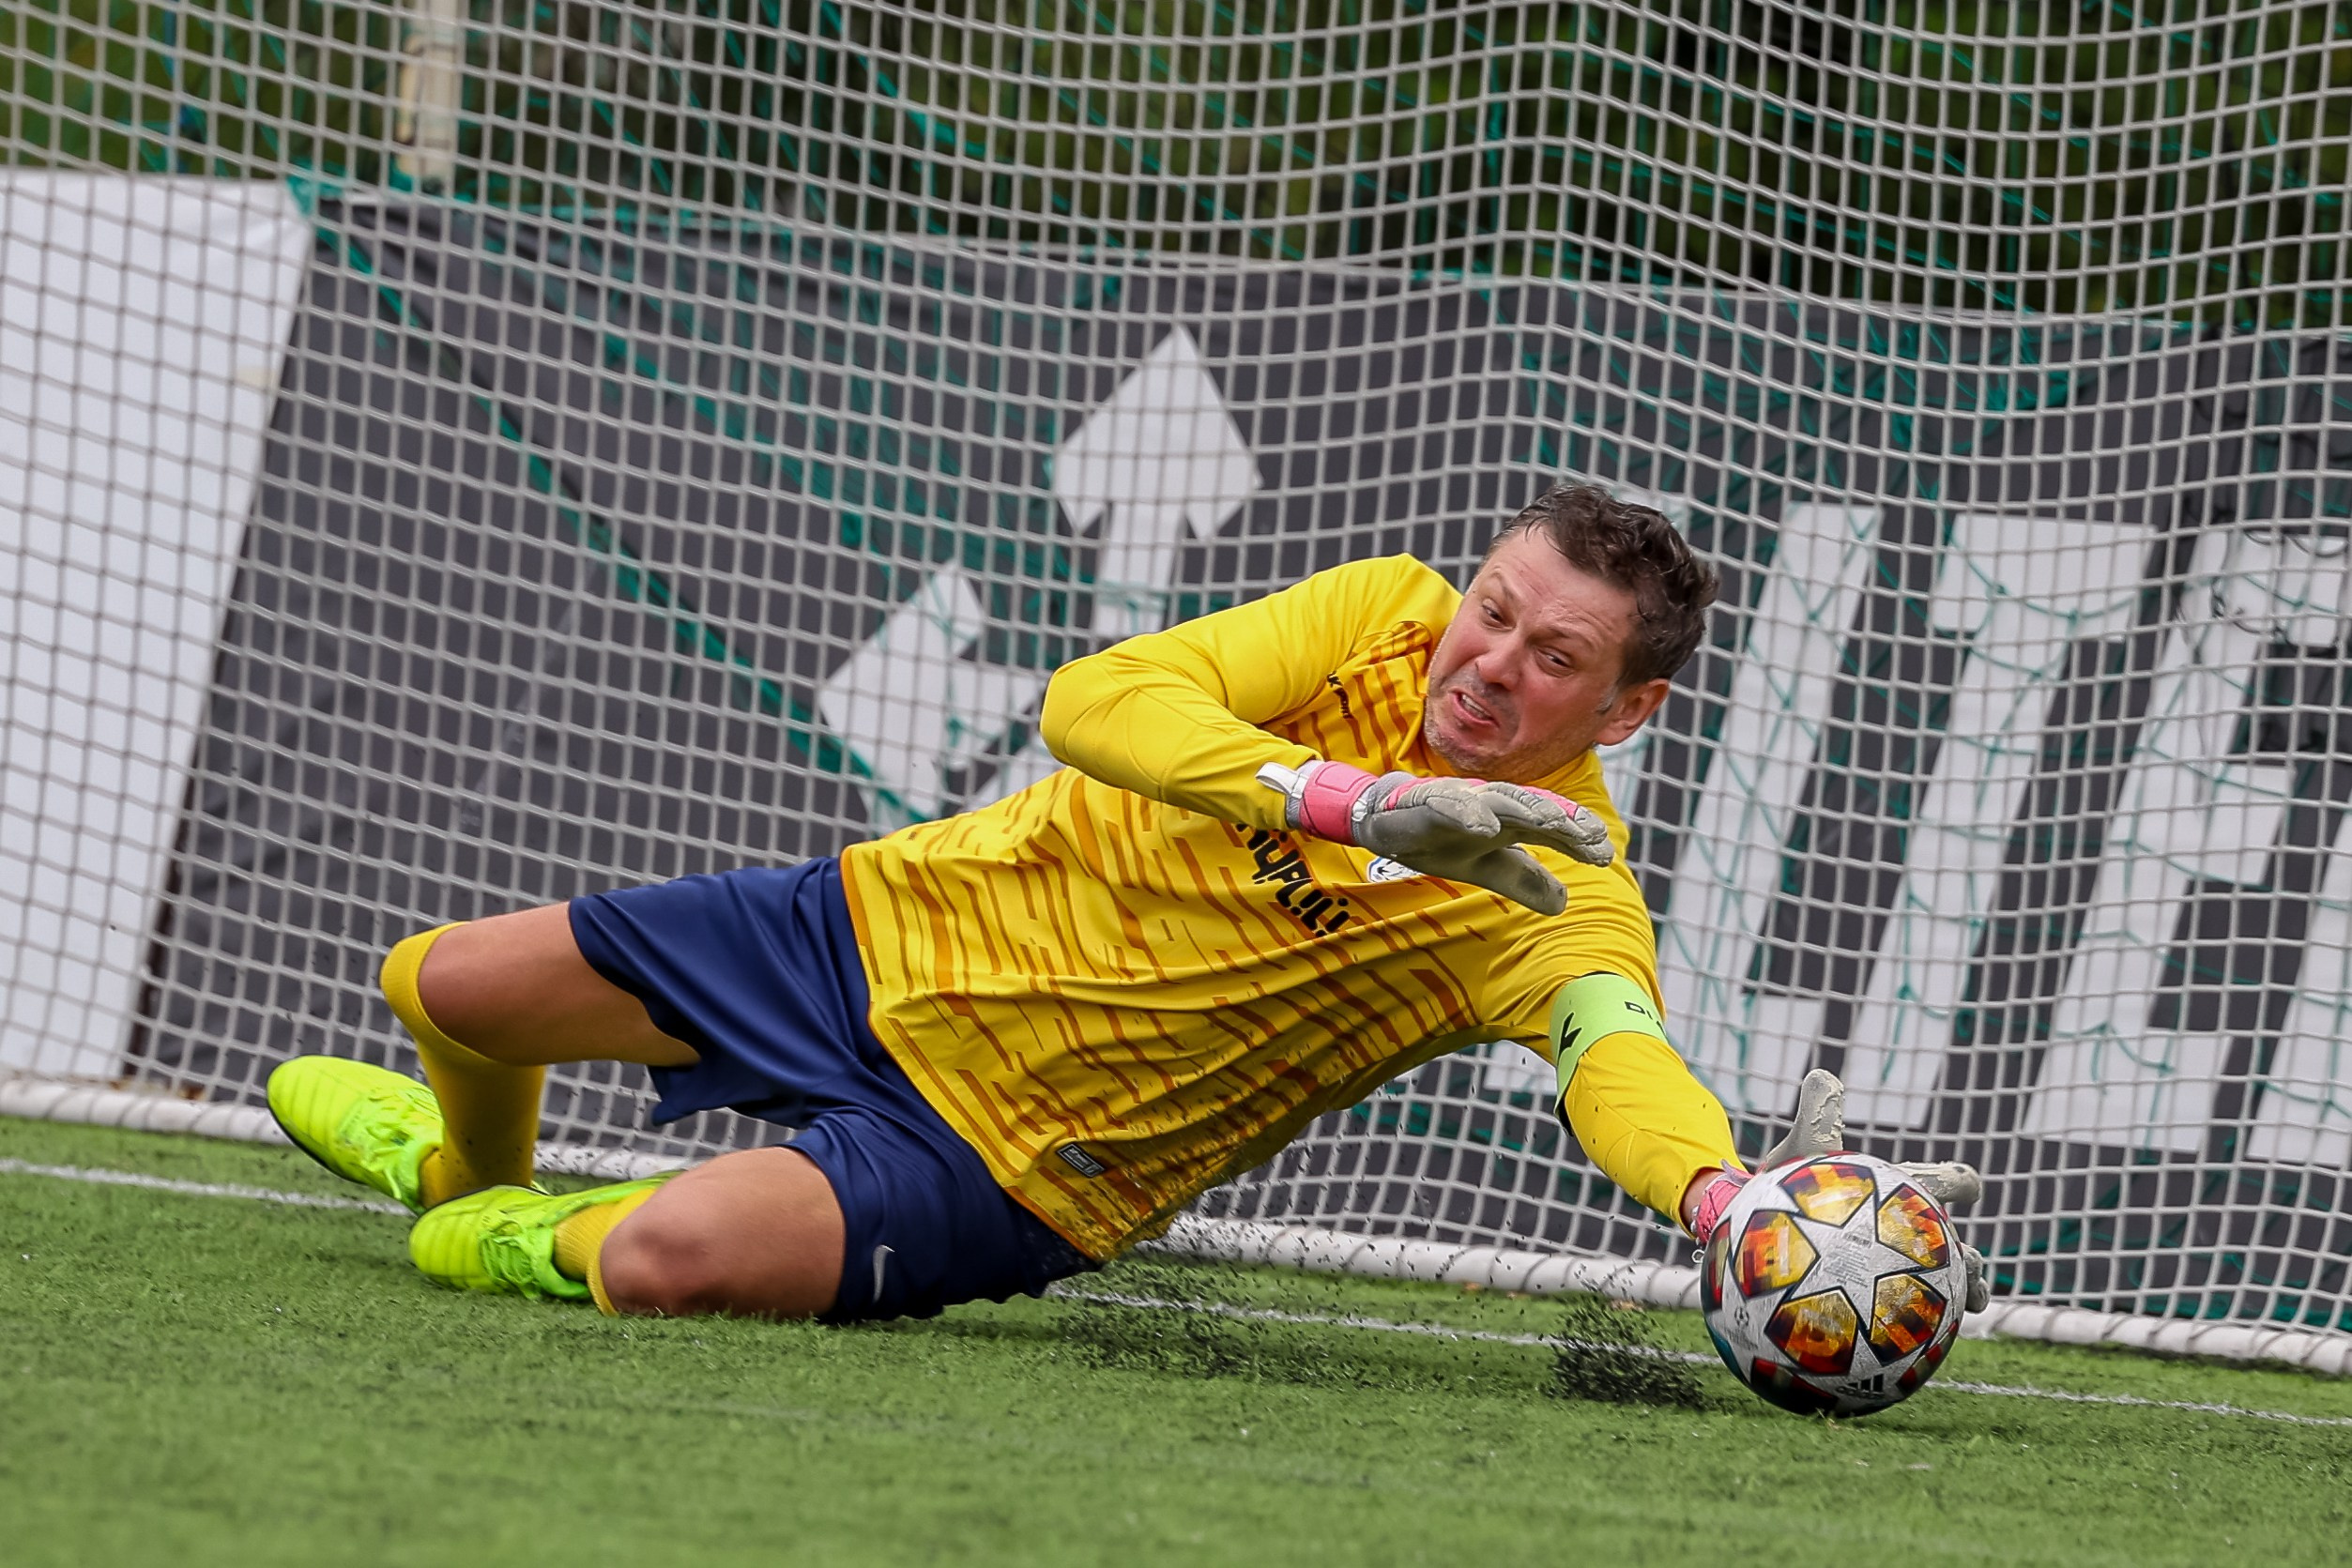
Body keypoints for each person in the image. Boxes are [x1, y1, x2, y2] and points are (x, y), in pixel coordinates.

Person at [267, 481, 1987, 1322]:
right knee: (445, 984)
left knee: (659, 1258)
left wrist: (1716, 1196)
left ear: (1624, 713)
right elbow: (1097, 701)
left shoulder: (1560, 894)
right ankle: (458, 1160)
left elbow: (1618, 1051)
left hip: (1015, 1161)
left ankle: (513, 1238)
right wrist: (1351, 797)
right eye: (1493, 610)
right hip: (886, 928)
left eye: (1554, 658)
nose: (1488, 663)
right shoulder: (1371, 614)